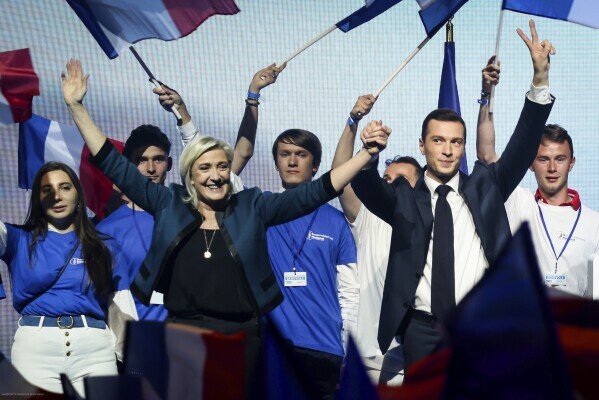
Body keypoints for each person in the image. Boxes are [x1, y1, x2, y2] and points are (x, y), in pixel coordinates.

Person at [61, 58, 390, 393]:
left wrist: (366, 153)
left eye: (221, 167)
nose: (215, 175)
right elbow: (114, 164)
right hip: (183, 336)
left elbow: (319, 190)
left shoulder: (252, 207)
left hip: (242, 340)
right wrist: (76, 107)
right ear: (190, 173)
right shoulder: (169, 203)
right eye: (204, 168)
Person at [351, 20, 555, 370]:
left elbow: (523, 145)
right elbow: (366, 186)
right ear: (422, 145)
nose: (447, 150)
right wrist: (369, 153)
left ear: (463, 147)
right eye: (438, 140)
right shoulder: (403, 197)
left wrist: (539, 81)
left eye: (456, 141)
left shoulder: (486, 185)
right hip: (421, 330)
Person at [0, 162, 137, 396]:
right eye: (47, 190)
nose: (56, 196)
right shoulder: (16, 239)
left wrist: (133, 365)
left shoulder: (105, 246)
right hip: (35, 352)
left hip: (94, 352)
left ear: (79, 196)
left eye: (65, 187)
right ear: (37, 199)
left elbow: (121, 308)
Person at [477, 56, 599, 298]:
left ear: (572, 163)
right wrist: (486, 93)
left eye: (560, 159)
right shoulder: (518, 201)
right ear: (531, 164)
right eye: (543, 159)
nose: (552, 167)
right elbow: (486, 155)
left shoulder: (595, 223)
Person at [332, 95, 422, 385]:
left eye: (400, 179)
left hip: (415, 354)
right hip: (369, 356)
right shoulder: (368, 214)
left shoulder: (432, 223)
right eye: (386, 177)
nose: (390, 183)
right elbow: (340, 175)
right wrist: (353, 121)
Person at [266, 128, 359, 400]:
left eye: (301, 154)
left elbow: (349, 292)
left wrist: (348, 351)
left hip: (324, 350)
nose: (292, 162)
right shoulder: (260, 210)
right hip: (273, 347)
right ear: (276, 162)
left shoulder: (337, 221)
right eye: (285, 154)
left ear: (315, 164)